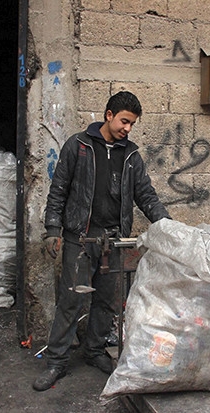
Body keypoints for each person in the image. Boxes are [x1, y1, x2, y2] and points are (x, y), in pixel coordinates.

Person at [33, 91, 171, 391]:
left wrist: (165, 224)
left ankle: (94, 351)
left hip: (113, 241)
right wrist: (53, 229)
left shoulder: (131, 155)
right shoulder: (78, 145)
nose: (128, 129)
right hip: (80, 239)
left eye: (133, 124)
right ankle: (57, 360)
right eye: (124, 121)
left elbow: (145, 194)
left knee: (107, 302)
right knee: (71, 301)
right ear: (108, 115)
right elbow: (58, 190)